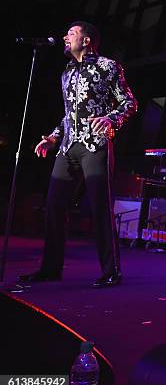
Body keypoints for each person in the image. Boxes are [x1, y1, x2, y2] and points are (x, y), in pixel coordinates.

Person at [19, 21, 137, 288]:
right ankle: (51, 269)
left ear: (86, 40)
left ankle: (111, 271)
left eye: (71, 33)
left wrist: (111, 119)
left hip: (96, 145)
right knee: (54, 207)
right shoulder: (67, 73)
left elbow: (129, 101)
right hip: (68, 147)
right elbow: (69, 115)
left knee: (99, 208)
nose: (65, 36)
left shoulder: (108, 66)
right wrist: (53, 137)